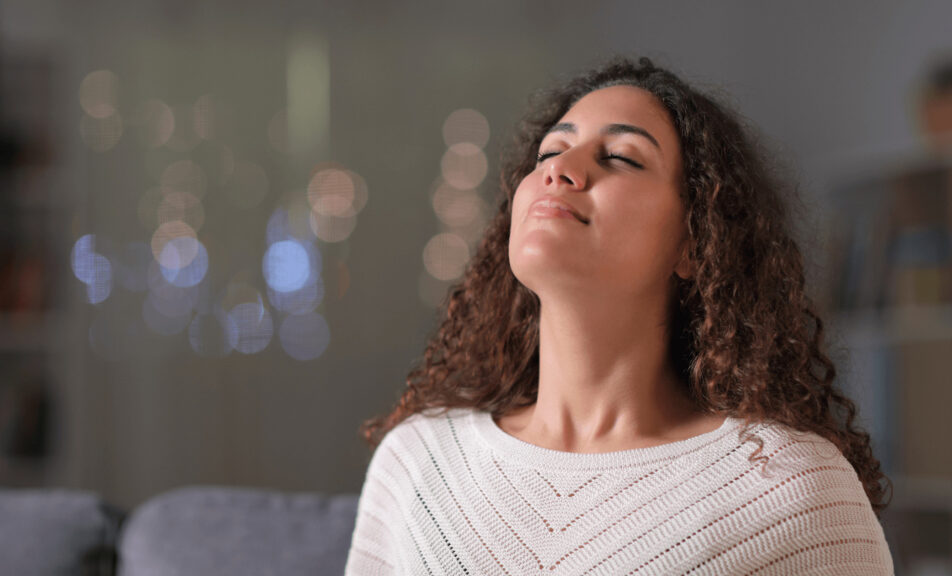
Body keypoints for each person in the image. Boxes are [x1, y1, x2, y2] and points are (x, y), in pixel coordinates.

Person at [344, 57, 895, 575]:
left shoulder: (791, 487)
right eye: (548, 153)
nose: (561, 168)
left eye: (622, 158)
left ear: (696, 244)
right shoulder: (419, 463)